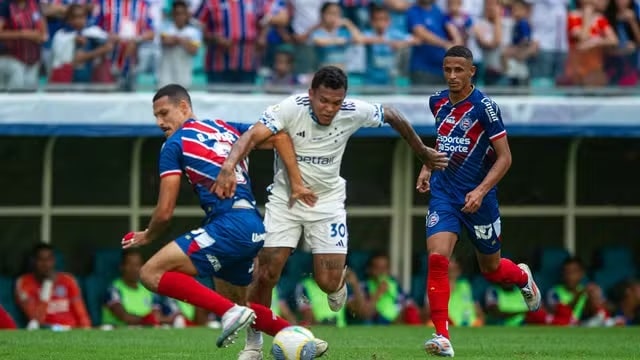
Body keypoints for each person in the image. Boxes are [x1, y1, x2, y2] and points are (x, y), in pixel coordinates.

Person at [213, 65, 448, 359]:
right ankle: (254, 345)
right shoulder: (289, 108)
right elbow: (250, 136)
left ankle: (337, 284)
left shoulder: (352, 111)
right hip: (285, 200)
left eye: (336, 102)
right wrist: (228, 166)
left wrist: (422, 152)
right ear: (311, 94)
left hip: (328, 203)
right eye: (323, 100)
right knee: (265, 273)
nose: (329, 108)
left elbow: (392, 114)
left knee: (326, 282)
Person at [121, 84, 326, 352]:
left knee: (150, 273)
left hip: (229, 225)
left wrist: (147, 235)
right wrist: (297, 183)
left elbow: (165, 211)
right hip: (253, 226)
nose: (160, 122)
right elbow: (280, 136)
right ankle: (292, 336)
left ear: (184, 107)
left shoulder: (174, 144)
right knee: (242, 305)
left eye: (164, 113)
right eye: (156, 116)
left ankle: (229, 313)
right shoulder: (225, 127)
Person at [415, 45, 541, 357]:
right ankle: (442, 336)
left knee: (492, 269)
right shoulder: (437, 102)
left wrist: (481, 190)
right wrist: (427, 166)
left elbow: (505, 158)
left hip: (479, 199)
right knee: (437, 258)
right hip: (444, 194)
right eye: (448, 70)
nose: (452, 76)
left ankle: (523, 277)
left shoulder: (485, 107)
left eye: (459, 70)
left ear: (472, 71)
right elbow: (444, 140)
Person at [15, 243, 91, 330]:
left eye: (49, 259)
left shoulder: (68, 280)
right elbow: (36, 320)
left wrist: (86, 330)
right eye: (41, 260)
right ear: (33, 261)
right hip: (48, 330)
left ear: (54, 261)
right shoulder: (24, 282)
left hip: (71, 330)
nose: (45, 264)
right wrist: (47, 285)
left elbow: (81, 314)